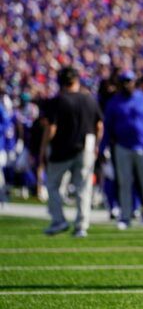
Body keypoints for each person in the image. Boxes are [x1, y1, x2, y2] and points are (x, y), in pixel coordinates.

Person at [40, 66, 103, 237]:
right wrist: (96, 145)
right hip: (85, 150)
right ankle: (82, 225)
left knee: (53, 185)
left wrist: (44, 148)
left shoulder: (58, 100)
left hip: (61, 151)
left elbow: (51, 128)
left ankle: (58, 220)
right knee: (83, 188)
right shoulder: (89, 99)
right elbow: (99, 126)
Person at [100, 70, 143, 230]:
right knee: (124, 183)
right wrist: (102, 148)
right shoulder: (114, 102)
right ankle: (125, 216)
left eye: (129, 81)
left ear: (134, 82)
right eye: (124, 81)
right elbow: (107, 128)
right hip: (122, 147)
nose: (127, 84)